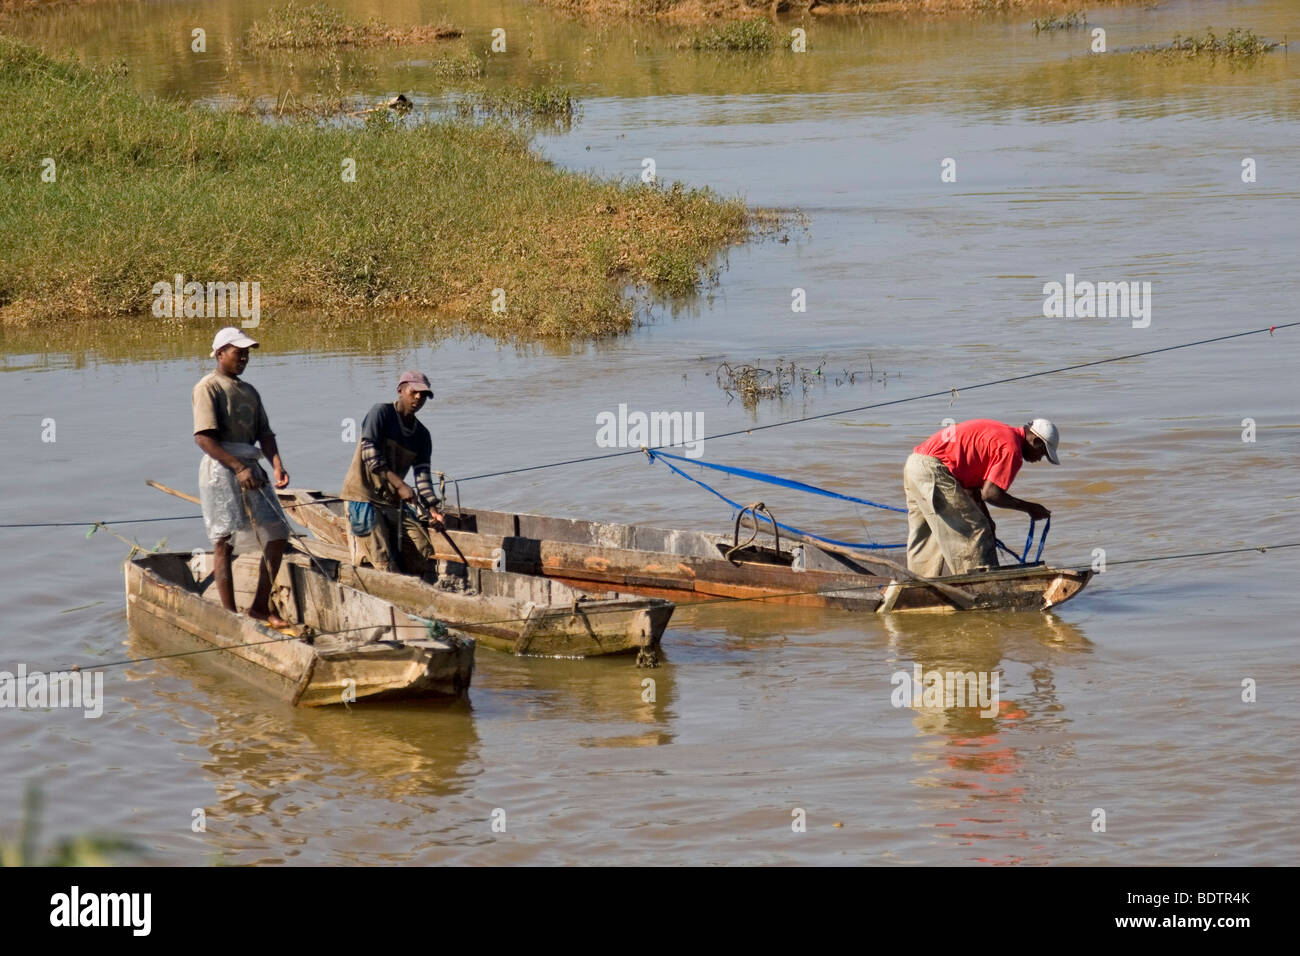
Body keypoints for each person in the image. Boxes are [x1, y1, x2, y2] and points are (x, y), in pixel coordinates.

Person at [192, 327, 293, 627]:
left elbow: (265, 433)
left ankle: (259, 607)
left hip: (252, 467)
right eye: (239, 352)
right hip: (222, 470)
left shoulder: (249, 391)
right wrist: (238, 468)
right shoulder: (208, 387)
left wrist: (276, 465)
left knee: (277, 534)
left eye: (247, 353)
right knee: (224, 540)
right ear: (220, 353)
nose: (244, 357)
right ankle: (230, 614)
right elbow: (204, 438)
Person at [903, 418, 1058, 577]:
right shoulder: (1012, 448)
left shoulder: (1001, 432)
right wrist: (1030, 508)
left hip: (915, 464)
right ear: (1036, 441)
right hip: (934, 470)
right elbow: (991, 494)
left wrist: (987, 519)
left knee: (927, 535)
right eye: (1043, 453)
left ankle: (919, 586)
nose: (1040, 459)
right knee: (976, 531)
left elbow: (970, 489)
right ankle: (981, 585)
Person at [341, 371, 446, 574]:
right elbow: (371, 457)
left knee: (423, 549)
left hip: (391, 500)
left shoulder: (422, 435)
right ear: (400, 391)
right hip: (362, 498)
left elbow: (422, 476)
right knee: (384, 559)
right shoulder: (380, 413)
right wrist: (400, 485)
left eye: (423, 395)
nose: (418, 398)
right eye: (414, 392)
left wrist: (433, 509)